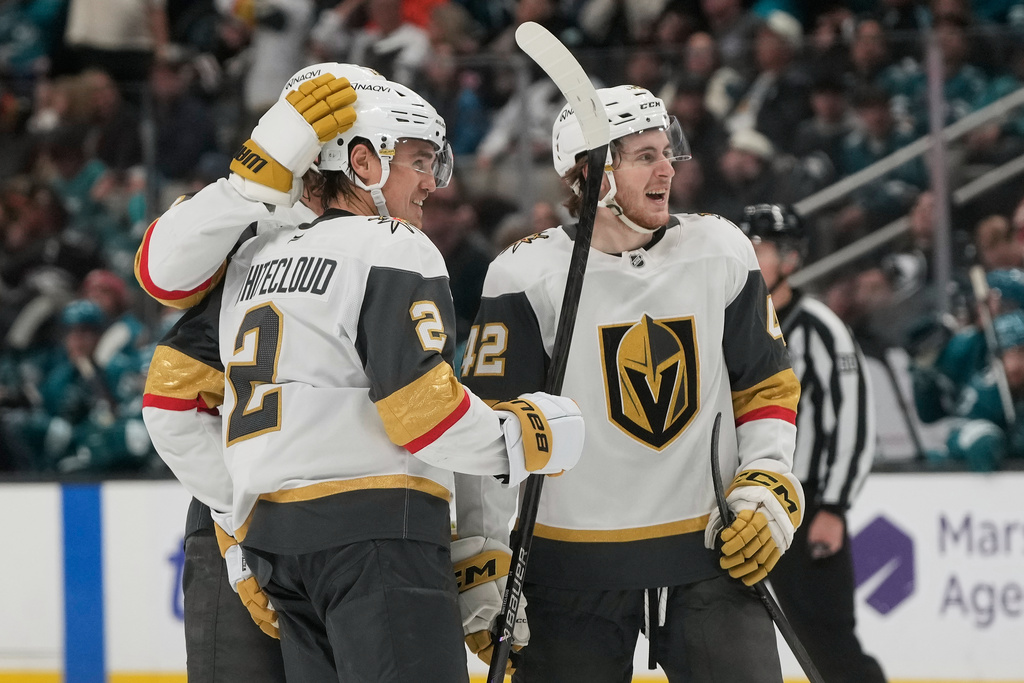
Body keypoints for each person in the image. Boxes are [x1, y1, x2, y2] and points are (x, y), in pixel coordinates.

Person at [140, 64, 584, 682]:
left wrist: (240, 524)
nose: (433, 182)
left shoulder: (252, 259)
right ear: (364, 162)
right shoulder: (391, 245)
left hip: (278, 547)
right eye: (419, 160)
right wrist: (528, 435)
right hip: (380, 535)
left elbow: (168, 399)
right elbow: (422, 412)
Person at [460, 84, 803, 682]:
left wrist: (768, 483)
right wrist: (482, 569)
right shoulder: (525, 274)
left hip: (708, 555)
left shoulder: (720, 249)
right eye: (644, 155)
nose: (668, 169)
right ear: (591, 172)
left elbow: (766, 388)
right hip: (568, 572)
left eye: (668, 152)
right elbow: (489, 437)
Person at [138, 62, 372, 682]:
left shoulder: (386, 248)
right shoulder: (257, 234)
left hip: (334, 526)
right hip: (269, 520)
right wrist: (236, 523)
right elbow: (159, 276)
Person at [739, 203, 887, 683]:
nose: (750, 256)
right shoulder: (734, 326)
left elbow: (854, 423)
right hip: (747, 510)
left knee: (827, 638)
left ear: (791, 259)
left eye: (760, 247)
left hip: (808, 509)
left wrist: (835, 508)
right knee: (756, 637)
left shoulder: (820, 327)